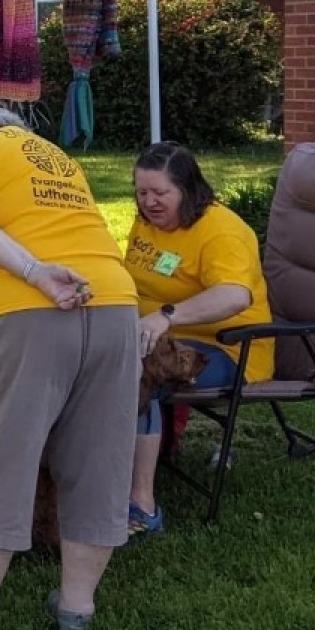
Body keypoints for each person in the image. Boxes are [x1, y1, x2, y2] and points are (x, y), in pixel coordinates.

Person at [0, 103, 142, 630]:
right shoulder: (59, 160)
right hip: (114, 305)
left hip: (28, 308)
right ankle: (77, 608)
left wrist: (33, 271)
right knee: (98, 460)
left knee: (0, 458)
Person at [122, 141, 271, 537]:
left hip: (225, 347)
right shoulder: (149, 222)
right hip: (154, 334)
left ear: (187, 189)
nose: (149, 202)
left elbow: (235, 295)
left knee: (139, 375)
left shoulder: (220, 231)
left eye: (160, 193)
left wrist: (166, 316)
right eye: (141, 193)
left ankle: (142, 503)